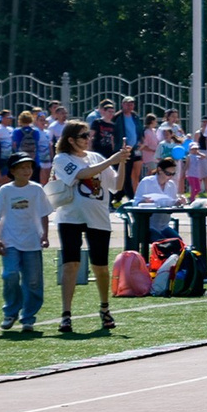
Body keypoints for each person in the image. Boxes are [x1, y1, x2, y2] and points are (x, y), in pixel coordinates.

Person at [47, 119, 124, 334]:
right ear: (71, 140)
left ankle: (105, 307)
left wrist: (123, 161)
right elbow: (82, 175)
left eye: (88, 135)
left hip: (98, 218)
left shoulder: (97, 158)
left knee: (101, 267)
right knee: (70, 264)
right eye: (83, 136)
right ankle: (66, 314)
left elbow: (116, 186)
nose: (88, 139)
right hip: (70, 217)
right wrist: (112, 160)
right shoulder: (62, 158)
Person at [0, 153, 49, 334]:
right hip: (10, 240)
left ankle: (28, 318)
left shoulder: (37, 189)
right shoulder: (6, 190)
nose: (27, 171)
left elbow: (44, 213)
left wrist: (45, 235)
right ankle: (10, 311)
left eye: (29, 167)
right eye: (22, 167)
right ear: (13, 171)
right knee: (10, 274)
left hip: (32, 240)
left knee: (33, 281)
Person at [132, 157, 183, 241]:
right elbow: (135, 203)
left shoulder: (171, 185)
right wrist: (144, 202)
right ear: (159, 170)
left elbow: (173, 203)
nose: (170, 177)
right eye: (168, 173)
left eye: (172, 174)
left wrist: (179, 202)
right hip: (147, 225)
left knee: (179, 242)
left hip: (164, 226)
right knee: (161, 242)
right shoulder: (147, 182)